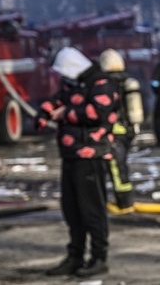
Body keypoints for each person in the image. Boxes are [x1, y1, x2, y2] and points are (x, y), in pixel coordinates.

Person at [35, 47, 117, 278]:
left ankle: (99, 257)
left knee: (92, 210)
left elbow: (96, 112)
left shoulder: (102, 83)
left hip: (91, 156)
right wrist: (43, 114)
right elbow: (56, 100)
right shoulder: (73, 84)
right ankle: (75, 256)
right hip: (70, 154)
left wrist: (65, 113)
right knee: (72, 210)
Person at [99, 48, 140, 214]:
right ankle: (124, 201)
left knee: (117, 168)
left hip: (114, 131)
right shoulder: (127, 80)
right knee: (121, 166)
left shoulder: (106, 84)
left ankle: (124, 203)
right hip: (127, 131)